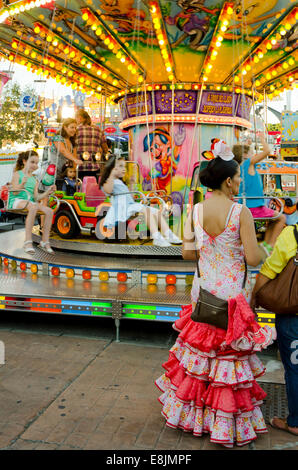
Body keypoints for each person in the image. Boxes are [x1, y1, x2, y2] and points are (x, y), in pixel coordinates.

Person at [155, 149, 276, 448]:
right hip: (233, 298)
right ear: (227, 182)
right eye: (236, 178)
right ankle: (222, 421)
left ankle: (193, 416)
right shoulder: (240, 213)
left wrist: (211, 253)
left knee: (201, 358)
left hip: (204, 292)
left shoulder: (195, 210)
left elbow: (187, 253)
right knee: (227, 361)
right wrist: (269, 243)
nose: (239, 183)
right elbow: (252, 255)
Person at [251, 224, 298, 437]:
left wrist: (253, 298)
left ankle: (295, 422)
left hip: (293, 317)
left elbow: (269, 270)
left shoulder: (293, 234)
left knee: (295, 369)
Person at [95, 154, 182, 247]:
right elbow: (108, 191)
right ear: (112, 168)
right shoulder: (108, 181)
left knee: (157, 212)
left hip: (130, 205)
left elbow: (129, 197)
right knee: (147, 210)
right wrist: (111, 175)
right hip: (121, 207)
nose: (124, 169)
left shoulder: (120, 182)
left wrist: (132, 185)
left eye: (124, 166)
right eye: (120, 166)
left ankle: (168, 234)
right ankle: (157, 237)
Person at [233, 132, 286, 255]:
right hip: (255, 208)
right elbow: (267, 151)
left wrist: (247, 144)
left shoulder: (239, 167)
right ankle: (270, 245)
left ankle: (265, 246)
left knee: (273, 220)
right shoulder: (248, 164)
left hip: (247, 207)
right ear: (246, 155)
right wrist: (262, 138)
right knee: (281, 218)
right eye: (252, 153)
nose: (254, 155)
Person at [8, 151, 56, 254]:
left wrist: (48, 192)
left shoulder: (35, 179)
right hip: (16, 201)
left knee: (49, 211)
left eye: (36, 163)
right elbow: (15, 192)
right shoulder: (18, 174)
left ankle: (44, 241)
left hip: (29, 202)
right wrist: (22, 184)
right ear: (24, 161)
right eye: (32, 162)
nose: (35, 165)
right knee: (33, 207)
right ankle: (27, 241)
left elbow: (36, 197)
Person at [75, 109, 109, 178]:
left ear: (80, 117)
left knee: (79, 188)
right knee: (93, 187)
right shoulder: (98, 130)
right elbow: (105, 149)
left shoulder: (75, 130)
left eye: (76, 118)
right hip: (94, 167)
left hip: (78, 167)